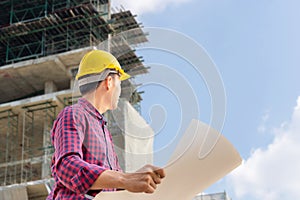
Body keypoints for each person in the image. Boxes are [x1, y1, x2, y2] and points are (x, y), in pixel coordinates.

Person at [47, 50, 165, 199]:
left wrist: (138, 180)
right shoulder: (74, 114)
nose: (120, 90)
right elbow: (67, 167)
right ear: (109, 82)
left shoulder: (103, 131)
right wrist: (125, 179)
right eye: (120, 83)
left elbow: (112, 189)